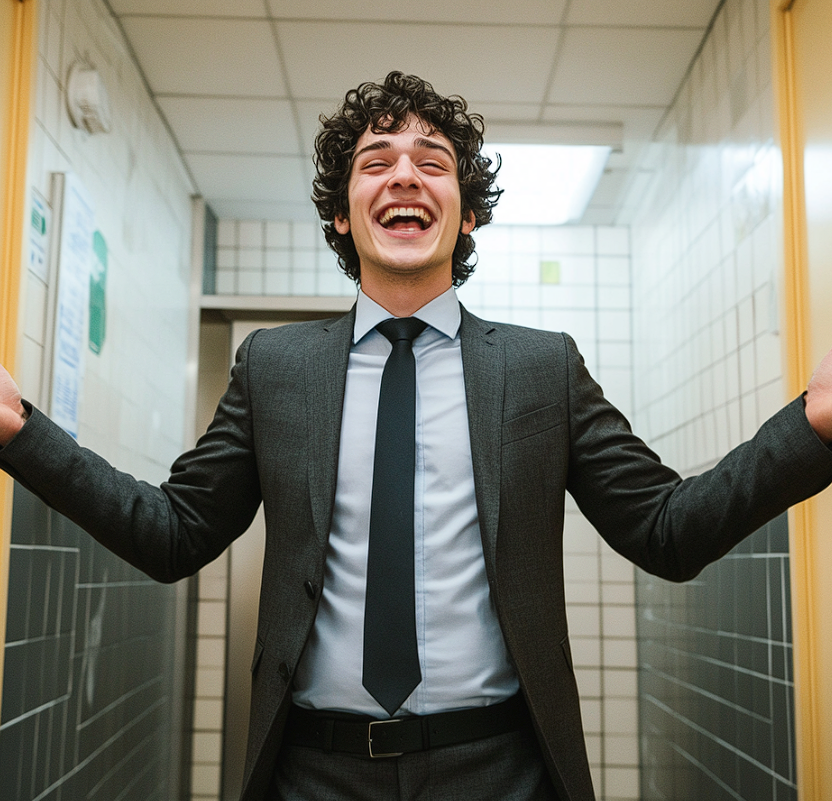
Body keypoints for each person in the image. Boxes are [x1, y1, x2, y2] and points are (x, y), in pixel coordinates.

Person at [1, 71, 832, 801]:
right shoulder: (275, 366)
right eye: (377, 162)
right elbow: (173, 531)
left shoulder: (543, 369)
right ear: (339, 215)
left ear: (467, 216)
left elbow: (669, 528)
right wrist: (19, 432)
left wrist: (813, 425)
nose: (406, 174)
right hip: (312, 771)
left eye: (434, 163)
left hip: (501, 767)